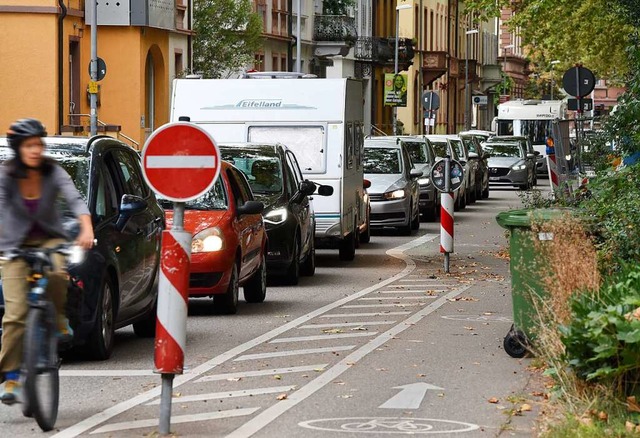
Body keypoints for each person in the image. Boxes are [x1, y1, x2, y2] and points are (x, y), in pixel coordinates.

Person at [0, 118, 94, 405]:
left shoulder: (53, 172)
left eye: (39, 144)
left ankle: (60, 317)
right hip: (13, 246)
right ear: (18, 148)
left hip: (49, 240)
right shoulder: (6, 175)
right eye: (29, 145)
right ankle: (11, 376)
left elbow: (75, 200)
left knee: (55, 273)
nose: (35, 150)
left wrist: (86, 228)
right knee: (14, 315)